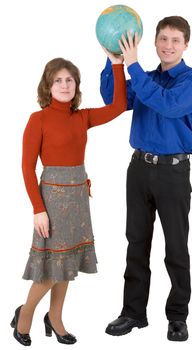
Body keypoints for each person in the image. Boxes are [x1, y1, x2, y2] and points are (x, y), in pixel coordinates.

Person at [100, 16, 192, 341]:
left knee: (175, 247)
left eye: (175, 40)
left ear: (185, 45)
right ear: (154, 41)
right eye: (163, 39)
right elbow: (114, 100)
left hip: (173, 172)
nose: (168, 46)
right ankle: (133, 313)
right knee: (136, 242)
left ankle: (177, 317)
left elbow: (168, 105)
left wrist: (132, 67)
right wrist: (115, 63)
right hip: (139, 171)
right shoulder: (143, 77)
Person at [11, 51, 126, 346]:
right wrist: (38, 209)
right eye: (58, 80)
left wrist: (117, 64)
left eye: (70, 80)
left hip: (78, 197)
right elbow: (26, 167)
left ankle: (56, 317)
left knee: (68, 262)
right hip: (51, 199)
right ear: (48, 87)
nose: (65, 85)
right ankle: (24, 316)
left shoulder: (82, 116)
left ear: (76, 85)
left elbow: (119, 106)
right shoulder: (38, 119)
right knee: (51, 266)